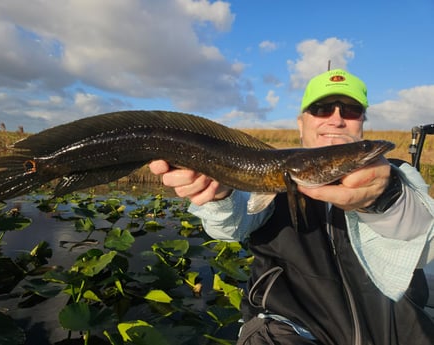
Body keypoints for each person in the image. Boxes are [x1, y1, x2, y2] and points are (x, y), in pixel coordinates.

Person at [149, 69, 434, 344]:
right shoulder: (273, 178)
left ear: (362, 121)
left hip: (396, 331)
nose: (336, 120)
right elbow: (233, 224)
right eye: (321, 109)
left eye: (350, 110)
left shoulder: (400, 176)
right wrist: (220, 195)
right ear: (301, 123)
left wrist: (385, 198)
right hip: (287, 331)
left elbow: (427, 239)